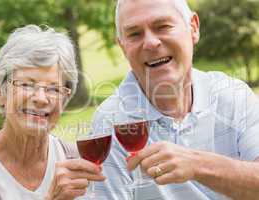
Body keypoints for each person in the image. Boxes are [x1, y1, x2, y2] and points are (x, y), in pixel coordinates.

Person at [92, 0, 259, 199]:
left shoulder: (233, 95)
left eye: (162, 26)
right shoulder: (110, 121)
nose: (151, 42)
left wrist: (197, 165)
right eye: (135, 34)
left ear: (193, 28)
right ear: (123, 47)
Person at [0, 25, 105, 200]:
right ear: (0, 91)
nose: (41, 98)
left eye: (54, 89)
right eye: (27, 85)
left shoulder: (81, 162)